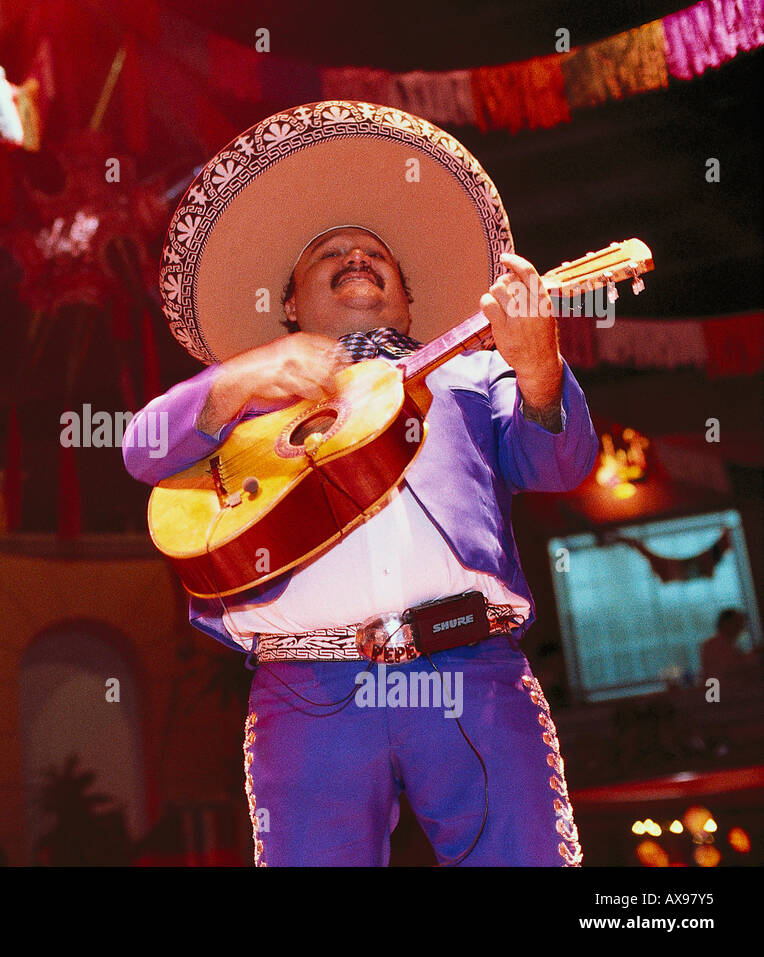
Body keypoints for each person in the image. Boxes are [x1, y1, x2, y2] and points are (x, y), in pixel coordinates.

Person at [125, 101, 598, 866]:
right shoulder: (248, 402)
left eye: (375, 253)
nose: (356, 256)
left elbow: (561, 464)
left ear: (410, 301)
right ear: (287, 305)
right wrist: (242, 375)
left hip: (470, 666)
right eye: (330, 254)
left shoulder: (473, 372)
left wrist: (539, 364)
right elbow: (140, 448)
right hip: (304, 688)